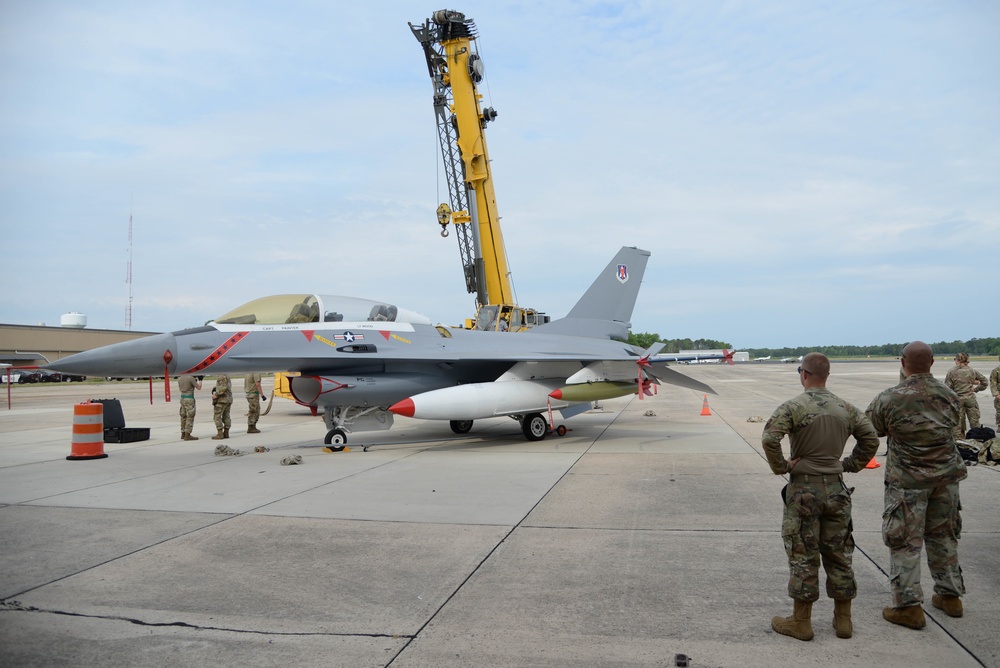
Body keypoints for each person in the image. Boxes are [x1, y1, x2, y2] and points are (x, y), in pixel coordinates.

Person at [762, 353, 879, 641]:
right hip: (837, 490)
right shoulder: (846, 408)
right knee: (839, 553)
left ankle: (801, 622)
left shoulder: (794, 406)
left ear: (803, 374)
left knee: (803, 553)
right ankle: (843, 621)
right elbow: (871, 439)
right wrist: (849, 464)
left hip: (804, 490)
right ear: (826, 375)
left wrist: (781, 467)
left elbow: (769, 438)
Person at [866, 341, 967, 629]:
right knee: (944, 536)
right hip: (946, 479)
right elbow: (952, 425)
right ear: (933, 363)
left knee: (905, 541)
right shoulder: (949, 396)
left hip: (908, 482)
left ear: (902, 362)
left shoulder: (891, 397)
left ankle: (908, 606)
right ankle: (950, 596)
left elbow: (870, 429)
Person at [944, 352, 988, 438]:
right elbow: (985, 382)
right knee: (974, 422)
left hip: (957, 400)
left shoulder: (951, 372)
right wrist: (976, 389)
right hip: (970, 399)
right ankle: (977, 440)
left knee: (957, 424)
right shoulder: (972, 371)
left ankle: (960, 442)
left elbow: (947, 388)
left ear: (957, 360)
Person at [177, 374, 202, 441]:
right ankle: (187, 434)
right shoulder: (190, 378)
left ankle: (183, 433)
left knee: (183, 416)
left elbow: (180, 389)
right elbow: (199, 387)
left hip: (182, 398)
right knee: (190, 416)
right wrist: (200, 380)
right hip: (189, 398)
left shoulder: (180, 378)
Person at [211, 374, 233, 440]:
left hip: (222, 400)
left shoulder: (221, 376)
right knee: (226, 415)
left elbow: (223, 387)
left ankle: (220, 433)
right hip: (228, 399)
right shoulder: (226, 375)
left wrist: (216, 395)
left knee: (217, 416)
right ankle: (226, 432)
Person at [990, 355, 1000, 430]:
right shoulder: (996, 371)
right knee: (999, 411)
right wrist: (996, 394)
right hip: (999, 394)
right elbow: (993, 383)